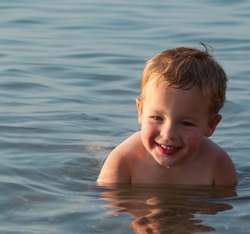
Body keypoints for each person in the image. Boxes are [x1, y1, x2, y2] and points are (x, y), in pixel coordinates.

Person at [98, 43, 237, 187]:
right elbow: (102, 202)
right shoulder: (123, 160)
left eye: (186, 123)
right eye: (158, 118)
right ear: (141, 111)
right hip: (110, 162)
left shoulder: (217, 164)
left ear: (211, 125)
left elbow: (230, 203)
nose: (169, 134)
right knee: (102, 155)